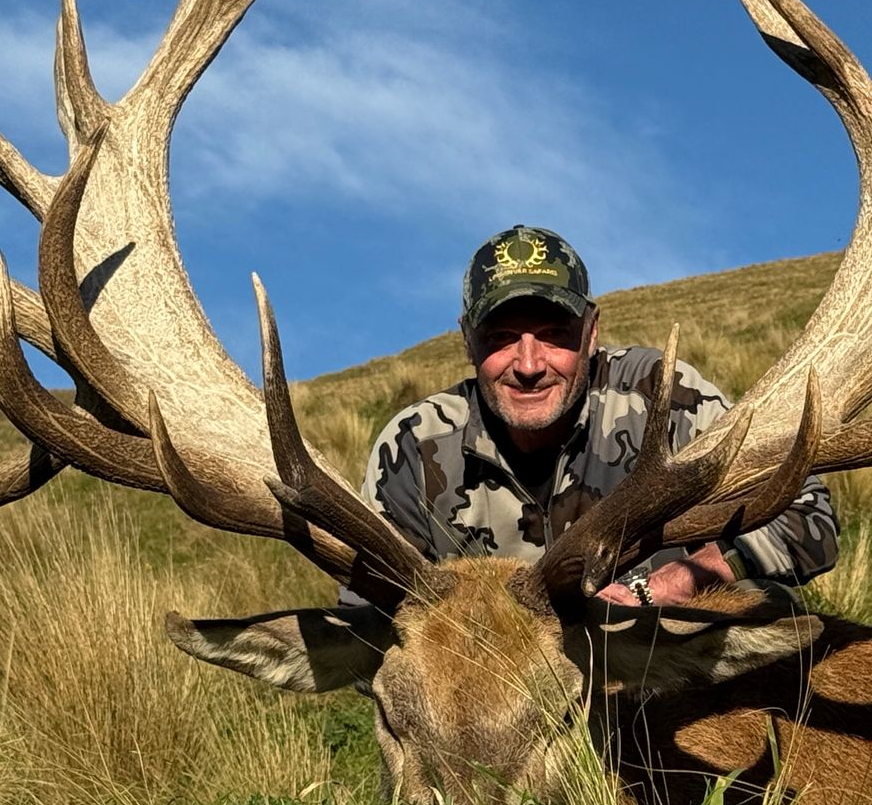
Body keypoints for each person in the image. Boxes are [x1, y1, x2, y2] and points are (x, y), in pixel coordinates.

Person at [359, 224, 838, 605]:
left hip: (658, 674)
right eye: (501, 337)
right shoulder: (415, 446)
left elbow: (808, 517)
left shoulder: (661, 396)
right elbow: (368, 611)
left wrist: (688, 578)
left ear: (591, 333)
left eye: (554, 333)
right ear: (467, 339)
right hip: (500, 705)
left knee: (759, 602)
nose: (528, 365)